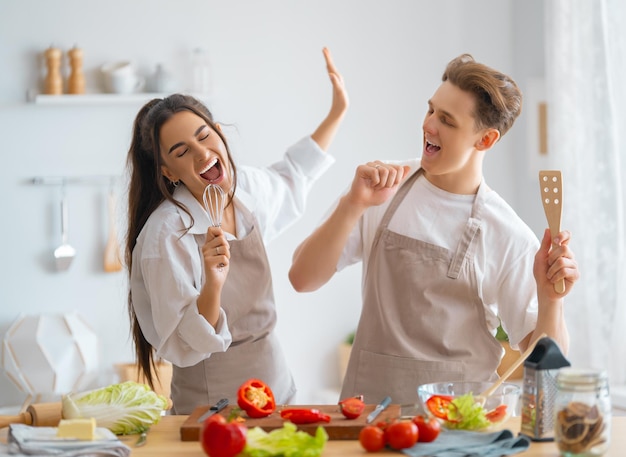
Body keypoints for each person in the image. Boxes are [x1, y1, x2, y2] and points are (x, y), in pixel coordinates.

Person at [288, 54, 579, 405]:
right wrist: (353, 204)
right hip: (369, 420)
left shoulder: (507, 233)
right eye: (430, 110)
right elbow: (302, 279)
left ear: (485, 140)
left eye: (447, 120)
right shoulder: (379, 186)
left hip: (460, 427)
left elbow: (547, 369)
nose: (429, 125)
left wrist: (551, 300)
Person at [125, 48, 348, 414]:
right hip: (214, 407)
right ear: (168, 172)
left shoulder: (246, 192)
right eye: (182, 151)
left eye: (204, 135)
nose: (202, 153)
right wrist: (213, 284)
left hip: (278, 391)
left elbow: (293, 173)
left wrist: (337, 112)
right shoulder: (165, 235)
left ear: (218, 131)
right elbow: (184, 342)